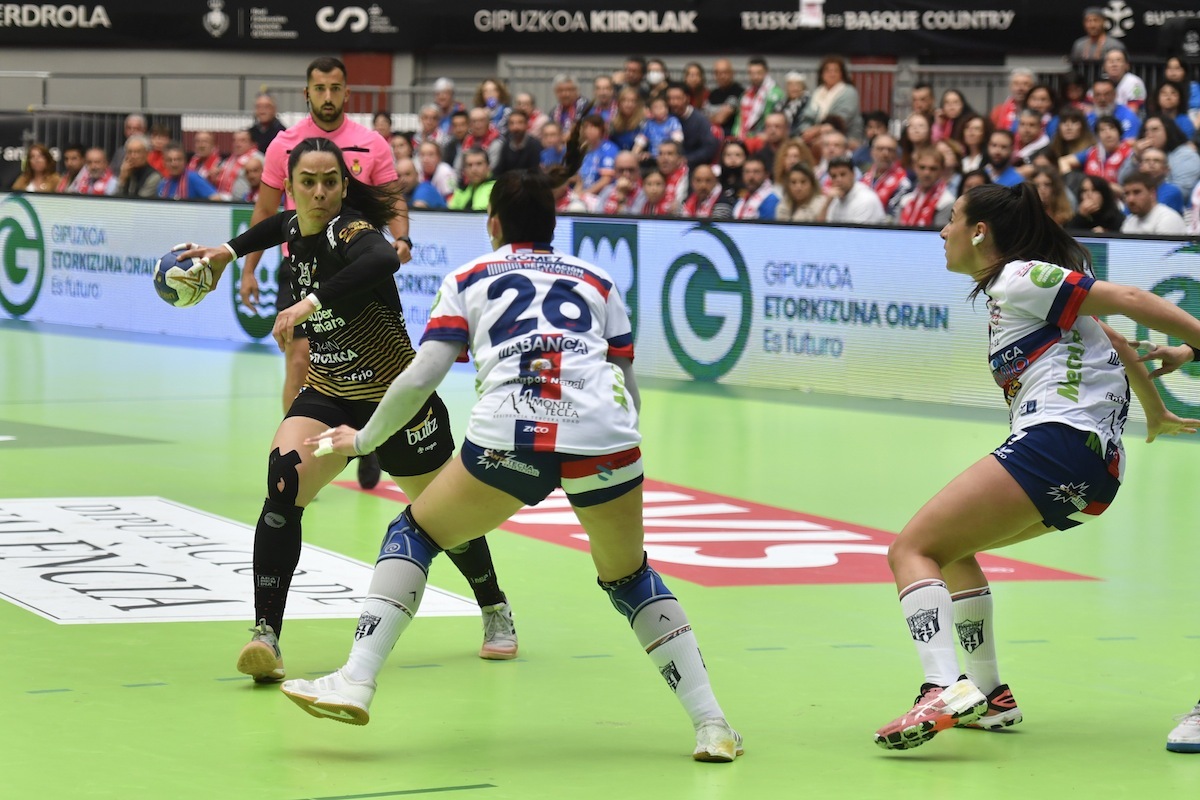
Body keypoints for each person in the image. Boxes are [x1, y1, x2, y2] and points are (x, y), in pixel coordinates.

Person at [279, 146, 744, 765]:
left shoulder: (469, 278)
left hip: (512, 436)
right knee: (631, 577)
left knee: (414, 533)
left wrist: (362, 440)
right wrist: (612, 444)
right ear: (553, 225)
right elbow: (628, 384)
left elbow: (421, 376)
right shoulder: (598, 280)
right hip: (607, 440)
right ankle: (713, 725)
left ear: (492, 223)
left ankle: (357, 679)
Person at [873, 181, 1200, 751]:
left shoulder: (1020, 277)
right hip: (1096, 473)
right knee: (953, 551)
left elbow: (1129, 298)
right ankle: (990, 695)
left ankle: (940, 687)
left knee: (911, 551)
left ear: (980, 232)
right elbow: (1115, 340)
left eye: (952, 219)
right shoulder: (1021, 297)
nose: (942, 232)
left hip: (1056, 444)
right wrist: (1156, 411)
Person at [177, 138, 518, 683]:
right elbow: (277, 225)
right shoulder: (296, 226)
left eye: (330, 182)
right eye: (307, 182)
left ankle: (494, 605)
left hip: (396, 402)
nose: (319, 193)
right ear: (291, 186)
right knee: (283, 482)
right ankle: (266, 636)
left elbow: (382, 258)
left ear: (343, 186)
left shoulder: (351, 231)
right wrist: (227, 251)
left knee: (444, 518)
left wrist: (309, 303)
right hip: (329, 395)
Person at [239, 57, 413, 494]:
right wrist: (248, 268)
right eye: (320, 89)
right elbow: (267, 211)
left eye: (336, 88)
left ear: (347, 92)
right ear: (307, 93)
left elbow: (391, 199)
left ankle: (365, 439)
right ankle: (295, 464)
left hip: (357, 271)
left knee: (369, 362)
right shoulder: (283, 145)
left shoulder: (371, 144)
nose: (328, 96)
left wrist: (403, 238)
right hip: (299, 266)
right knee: (298, 359)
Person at [808, 55, 863, 144]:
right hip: (816, 135)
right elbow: (806, 116)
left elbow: (841, 119)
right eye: (828, 71)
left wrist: (816, 130)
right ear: (822, 74)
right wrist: (805, 130)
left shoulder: (849, 92)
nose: (832, 74)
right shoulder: (817, 92)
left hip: (846, 137)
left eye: (836, 71)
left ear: (842, 74)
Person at [896, 146, 954, 228]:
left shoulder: (946, 201)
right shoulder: (905, 200)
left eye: (933, 169)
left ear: (942, 170)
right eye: (922, 167)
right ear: (915, 167)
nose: (927, 173)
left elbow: (940, 234)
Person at [823, 155, 885, 224]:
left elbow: (856, 231)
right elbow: (820, 227)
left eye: (843, 174)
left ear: (853, 174)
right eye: (834, 176)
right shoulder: (834, 196)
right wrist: (827, 203)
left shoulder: (866, 199)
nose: (838, 180)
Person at [1121, 172, 1188, 235]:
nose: (1130, 200)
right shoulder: (1130, 221)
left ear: (1152, 193)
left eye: (1137, 192)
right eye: (1127, 194)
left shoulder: (1168, 219)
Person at [734, 57, 784, 139]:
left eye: (759, 73)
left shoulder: (776, 94)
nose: (755, 77)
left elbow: (778, 121)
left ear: (766, 72)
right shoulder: (745, 95)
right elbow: (738, 120)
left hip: (765, 138)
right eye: (752, 73)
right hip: (743, 137)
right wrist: (736, 135)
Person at [493, 108, 542, 178]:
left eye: (520, 123)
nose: (515, 127)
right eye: (512, 123)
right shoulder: (506, 144)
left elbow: (535, 174)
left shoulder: (535, 145)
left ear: (526, 125)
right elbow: (499, 170)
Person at [705, 58, 744, 137]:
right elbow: (703, 115)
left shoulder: (738, 92)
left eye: (725, 72)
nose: (722, 76)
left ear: (732, 73)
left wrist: (710, 118)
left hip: (730, 136)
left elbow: (720, 119)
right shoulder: (713, 93)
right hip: (711, 133)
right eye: (718, 73)